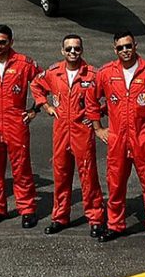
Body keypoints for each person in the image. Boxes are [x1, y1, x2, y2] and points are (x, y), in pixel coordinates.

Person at [35, 35, 106, 236]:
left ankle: (95, 218)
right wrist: (46, 106)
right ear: (62, 51)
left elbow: (111, 96)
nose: (72, 52)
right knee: (60, 175)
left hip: (82, 132)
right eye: (68, 49)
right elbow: (36, 85)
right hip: (60, 131)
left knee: (88, 175)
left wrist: (96, 114)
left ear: (82, 50)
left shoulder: (92, 74)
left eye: (76, 49)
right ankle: (60, 217)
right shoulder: (53, 72)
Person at [97, 31, 145, 242]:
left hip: (142, 137)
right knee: (115, 183)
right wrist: (98, 128)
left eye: (128, 46)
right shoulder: (106, 73)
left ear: (135, 45)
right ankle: (115, 224)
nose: (125, 51)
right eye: (120, 48)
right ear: (114, 49)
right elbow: (91, 101)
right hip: (117, 137)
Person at [0, 24, 41, 227]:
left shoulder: (24, 63)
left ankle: (27, 208)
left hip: (16, 123)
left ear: (11, 42)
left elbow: (43, 84)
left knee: (21, 168)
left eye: (2, 42)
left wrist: (33, 110)